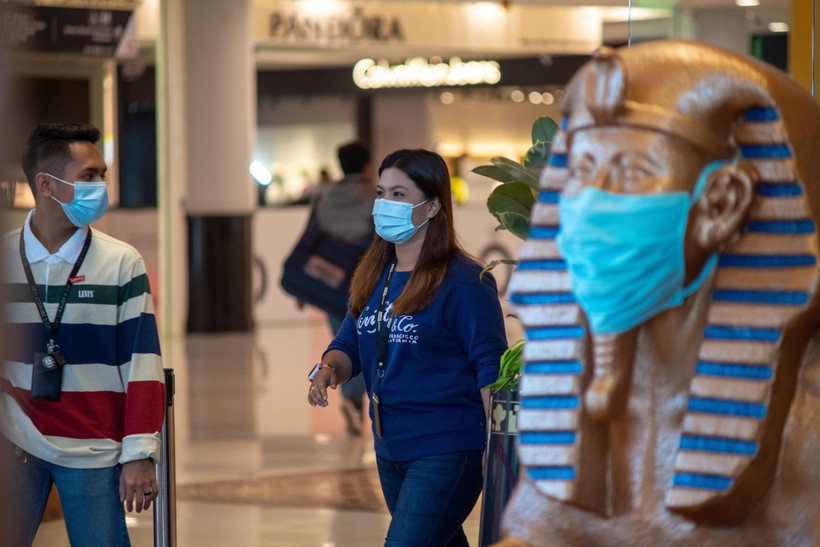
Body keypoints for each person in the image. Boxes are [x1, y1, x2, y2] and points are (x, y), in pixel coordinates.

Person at [497, 42, 820, 546]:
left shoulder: (807, 432)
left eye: (632, 174)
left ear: (722, 205)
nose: (588, 208)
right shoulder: (579, 409)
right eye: (580, 174)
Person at [308, 148, 507, 546]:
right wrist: (328, 369)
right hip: (390, 446)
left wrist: (499, 450)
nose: (385, 204)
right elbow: (350, 340)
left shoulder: (465, 282)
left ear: (432, 206)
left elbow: (491, 366)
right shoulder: (374, 275)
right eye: (381, 193)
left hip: (446, 447)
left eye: (399, 195)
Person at [0, 123, 165, 546]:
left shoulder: (121, 263)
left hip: (94, 451)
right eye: (88, 176)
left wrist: (139, 455)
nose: (101, 186)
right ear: (46, 185)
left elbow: (143, 366)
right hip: (14, 445)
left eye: (102, 176)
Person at [310, 140, 375, 435]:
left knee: (342, 338)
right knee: (361, 340)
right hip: (363, 276)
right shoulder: (374, 195)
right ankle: (354, 402)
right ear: (365, 165)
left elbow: (311, 236)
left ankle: (351, 401)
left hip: (329, 279)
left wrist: (306, 286)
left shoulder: (324, 195)